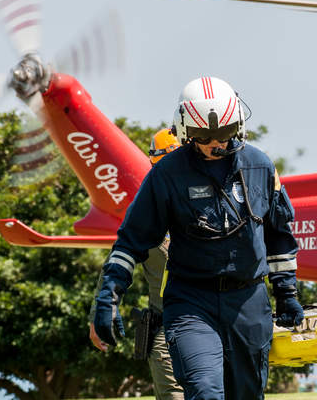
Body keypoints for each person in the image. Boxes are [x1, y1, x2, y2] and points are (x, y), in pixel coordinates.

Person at [93, 77, 304, 400]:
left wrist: (286, 292)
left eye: (224, 133)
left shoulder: (261, 167)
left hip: (248, 303)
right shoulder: (166, 175)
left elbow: (279, 236)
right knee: (205, 392)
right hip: (192, 303)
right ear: (186, 133)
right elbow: (130, 241)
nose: (216, 143)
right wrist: (107, 297)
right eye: (205, 136)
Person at [88, 128, 183, 400]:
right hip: (167, 328)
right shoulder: (146, 211)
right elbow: (117, 262)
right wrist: (99, 314)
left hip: (210, 322)